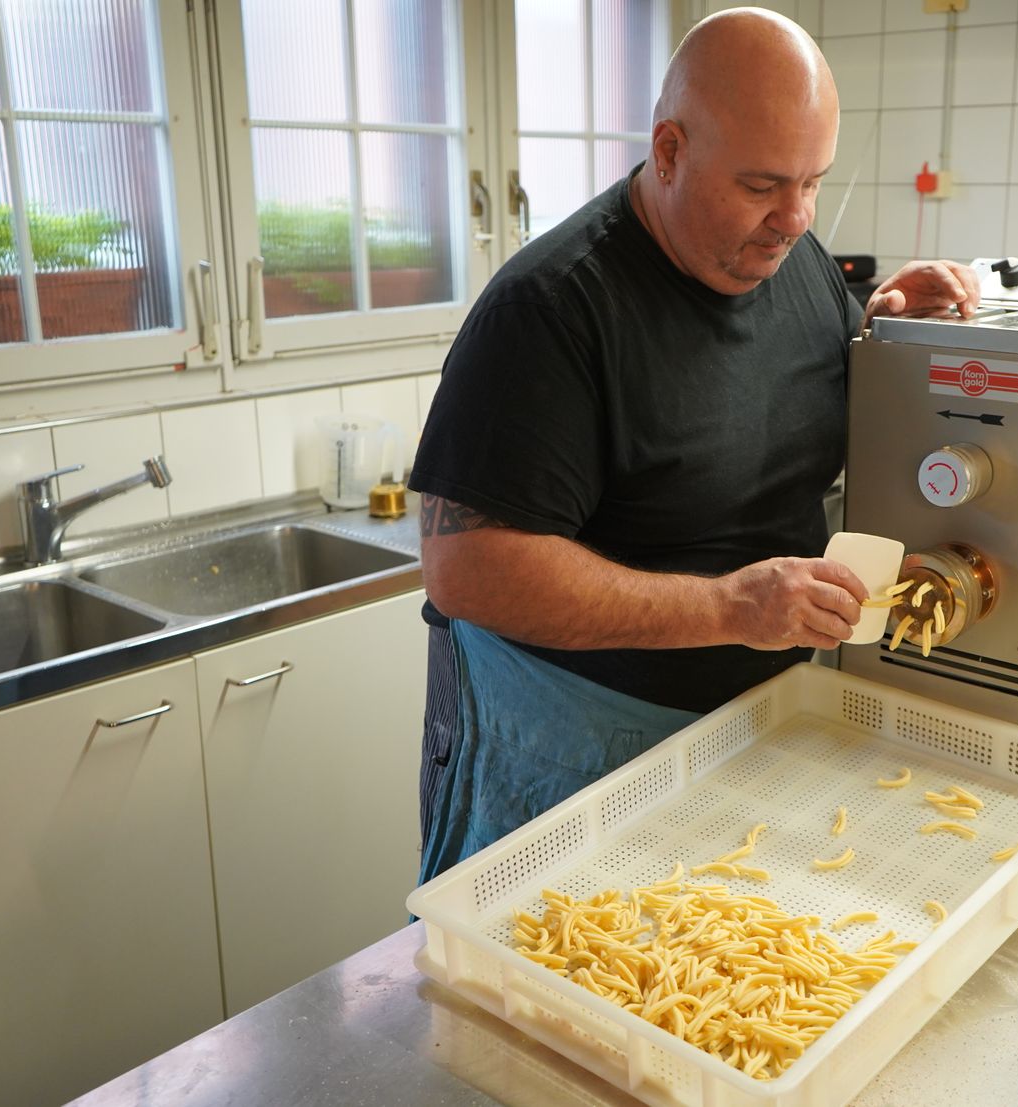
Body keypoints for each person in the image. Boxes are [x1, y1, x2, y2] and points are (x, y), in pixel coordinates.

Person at [409, 7, 981, 884]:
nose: (793, 219)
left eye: (813, 182)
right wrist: (729, 610)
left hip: (752, 731)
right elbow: (466, 568)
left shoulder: (793, 260)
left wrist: (886, 328)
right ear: (668, 150)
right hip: (563, 749)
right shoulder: (551, 312)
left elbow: (776, 397)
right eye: (761, 186)